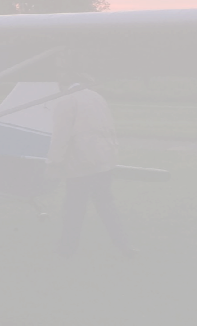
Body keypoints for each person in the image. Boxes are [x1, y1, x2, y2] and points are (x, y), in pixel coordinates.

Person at [45, 71, 138, 258]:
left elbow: (61, 137)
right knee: (105, 203)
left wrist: (54, 162)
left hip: (82, 162)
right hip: (104, 159)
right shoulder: (97, 97)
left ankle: (67, 249)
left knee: (73, 208)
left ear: (62, 84)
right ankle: (123, 243)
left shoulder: (65, 102)